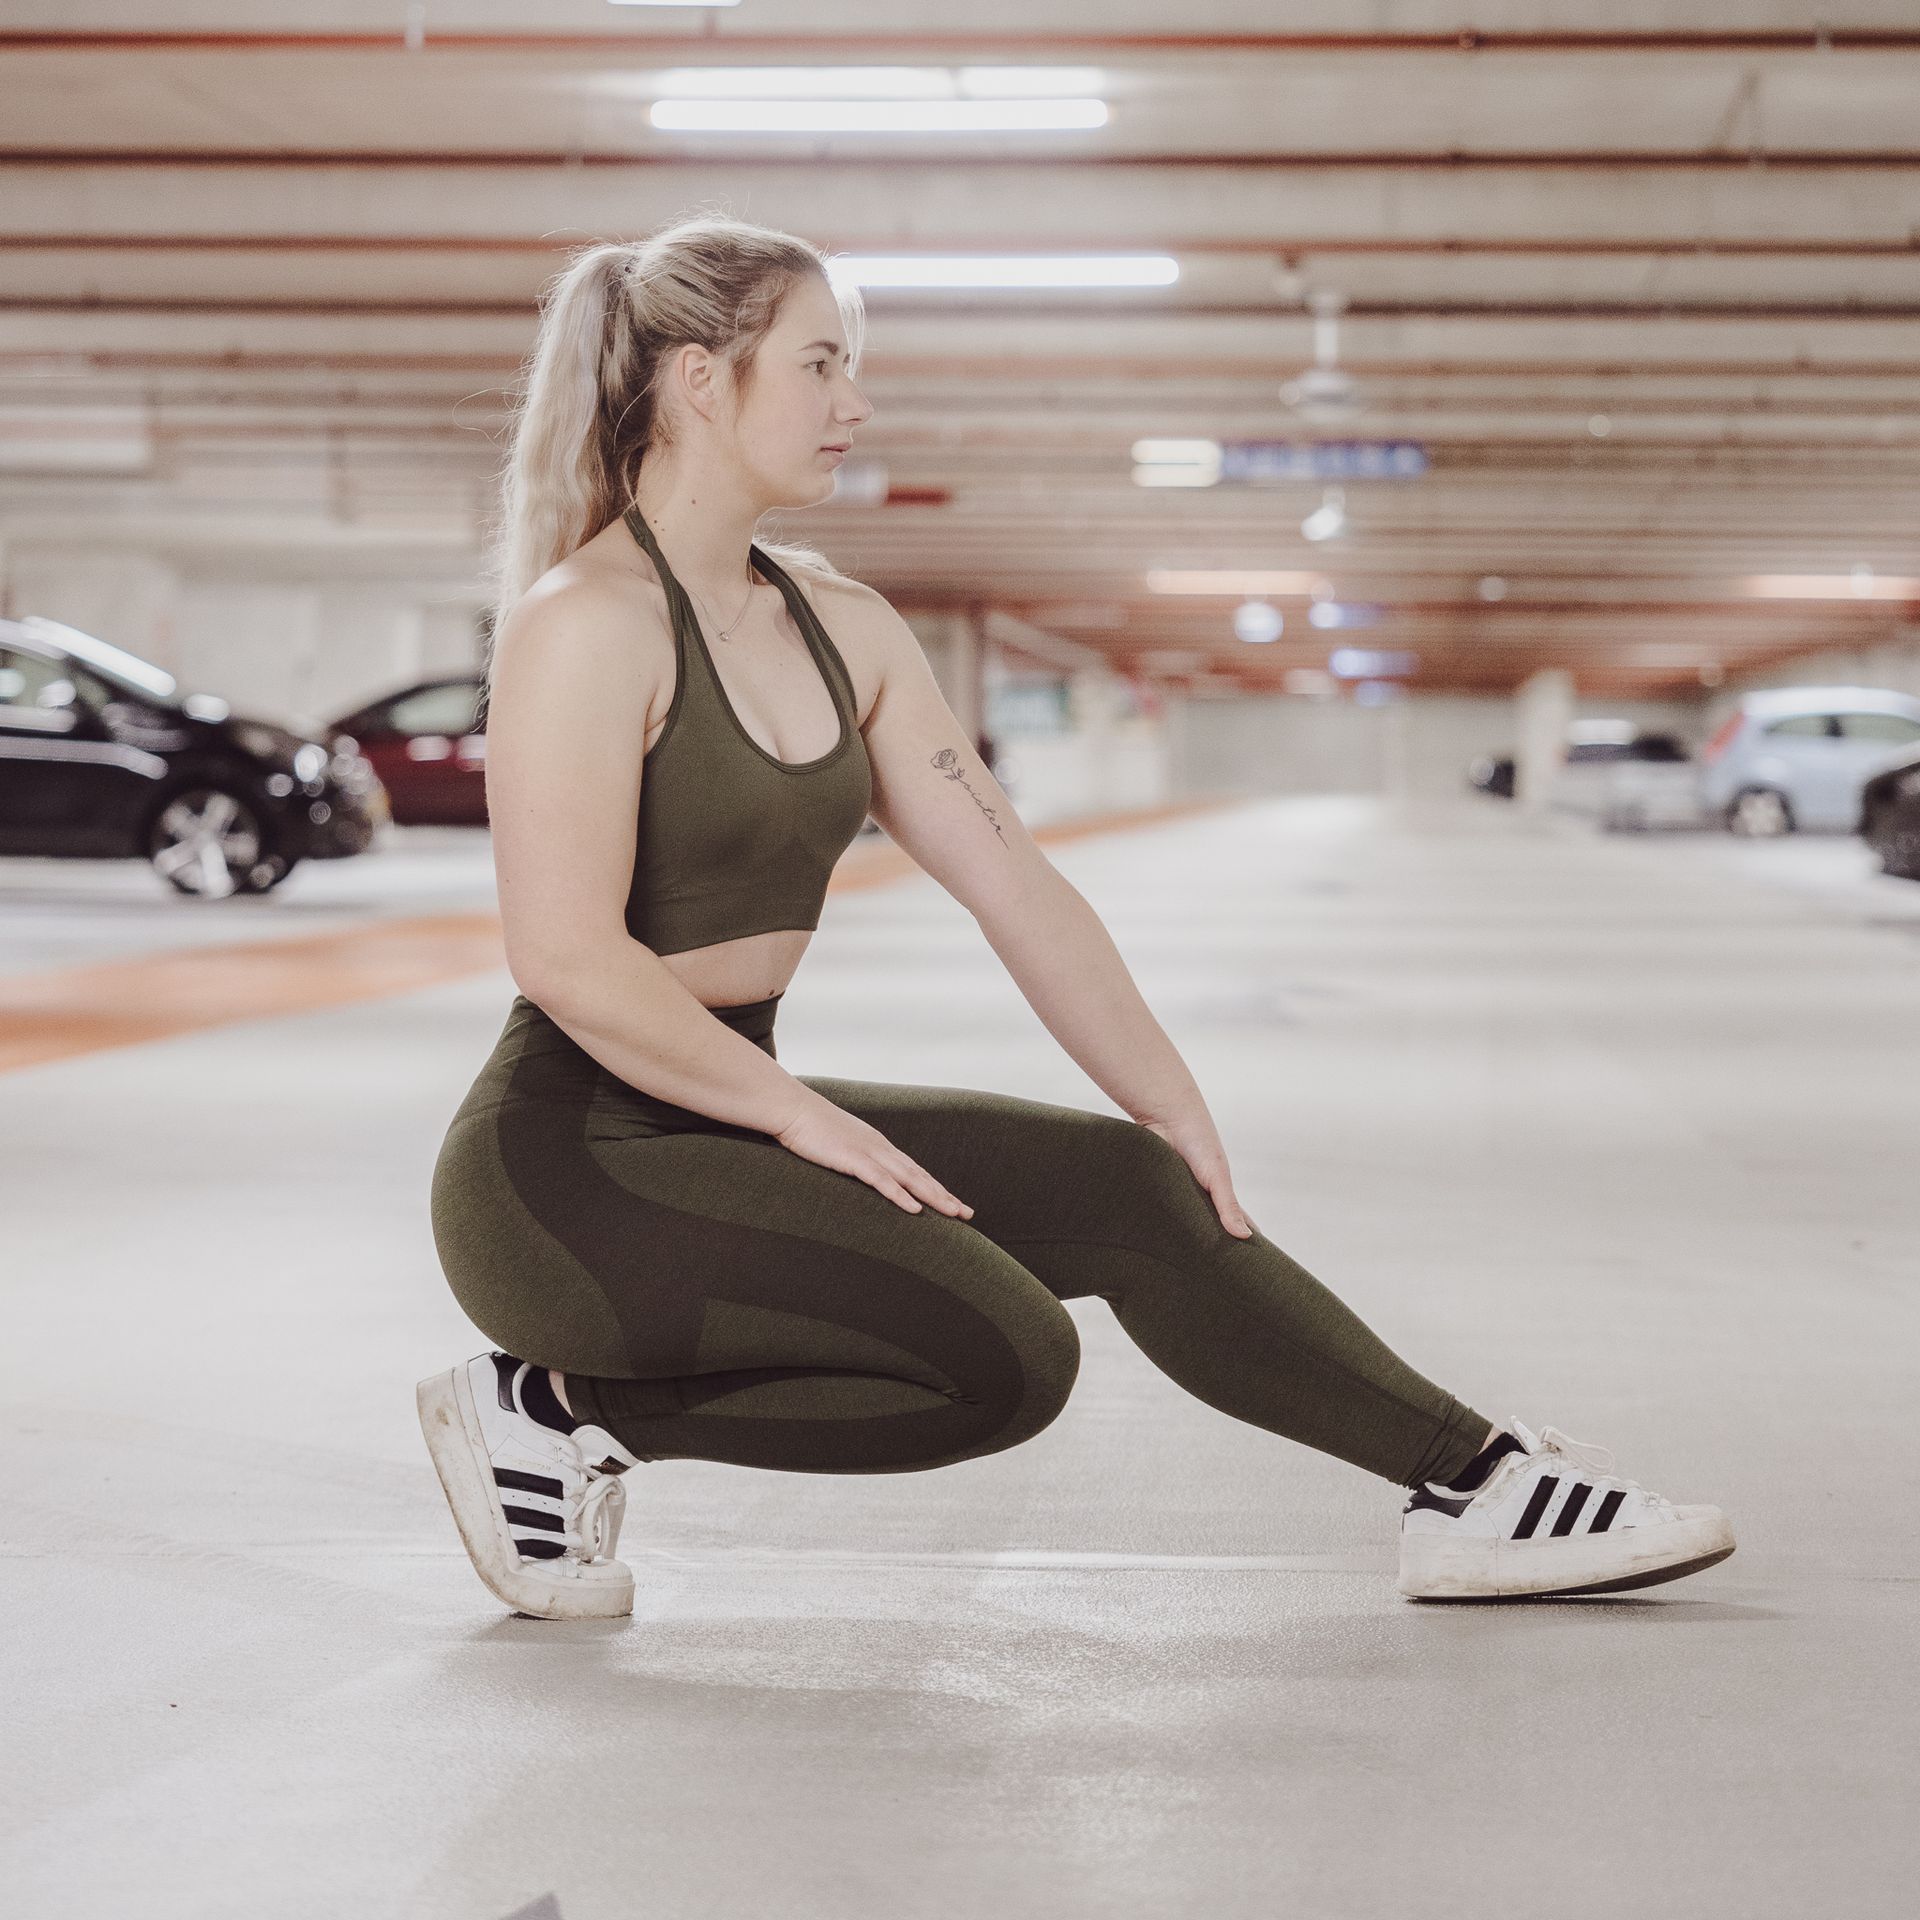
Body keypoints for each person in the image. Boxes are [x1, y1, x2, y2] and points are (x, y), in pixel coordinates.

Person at [416, 215, 1735, 1622]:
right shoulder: (588, 621)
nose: (854, 402)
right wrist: (801, 1118)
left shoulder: (843, 625)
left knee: (1134, 1193)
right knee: (1007, 1357)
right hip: (568, 1166)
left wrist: (1169, 1106)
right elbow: (563, 958)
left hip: (719, 1113)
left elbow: (1017, 885)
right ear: (697, 380)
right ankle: (553, 1411)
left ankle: (1474, 1489)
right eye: (820, 364)